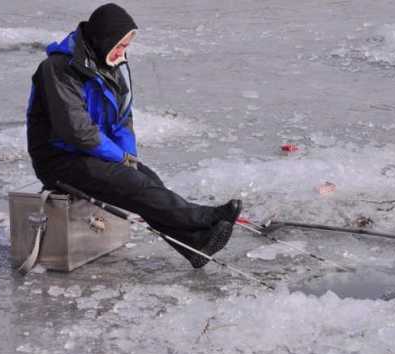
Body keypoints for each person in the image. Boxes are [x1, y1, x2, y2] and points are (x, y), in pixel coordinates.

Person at [26, 3, 241, 268]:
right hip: (58, 160)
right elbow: (77, 132)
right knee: (134, 185)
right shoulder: (58, 69)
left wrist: (130, 159)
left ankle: (195, 244)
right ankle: (201, 218)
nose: (122, 53)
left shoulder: (109, 65)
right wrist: (119, 158)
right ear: (104, 39)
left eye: (125, 47)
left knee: (146, 180)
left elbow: (122, 119)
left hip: (91, 153)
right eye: (120, 46)